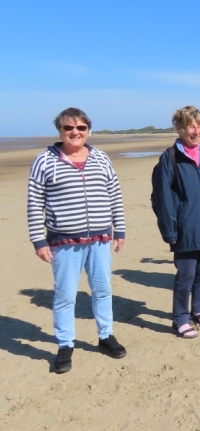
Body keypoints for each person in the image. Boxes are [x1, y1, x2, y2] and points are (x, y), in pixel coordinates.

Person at [27, 107, 127, 373]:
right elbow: (35, 203)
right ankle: (65, 345)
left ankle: (106, 336)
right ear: (59, 130)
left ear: (88, 130)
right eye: (68, 127)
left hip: (100, 239)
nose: (75, 132)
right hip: (64, 243)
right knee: (65, 295)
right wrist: (39, 240)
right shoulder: (44, 160)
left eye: (81, 128)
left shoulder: (101, 158)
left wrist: (120, 230)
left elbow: (114, 194)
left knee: (103, 289)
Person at [152, 106, 200, 339]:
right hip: (185, 228)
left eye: (199, 125)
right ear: (180, 129)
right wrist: (170, 231)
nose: (196, 131)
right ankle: (180, 319)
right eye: (190, 126)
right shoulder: (170, 158)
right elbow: (162, 198)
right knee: (186, 276)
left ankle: (198, 311)